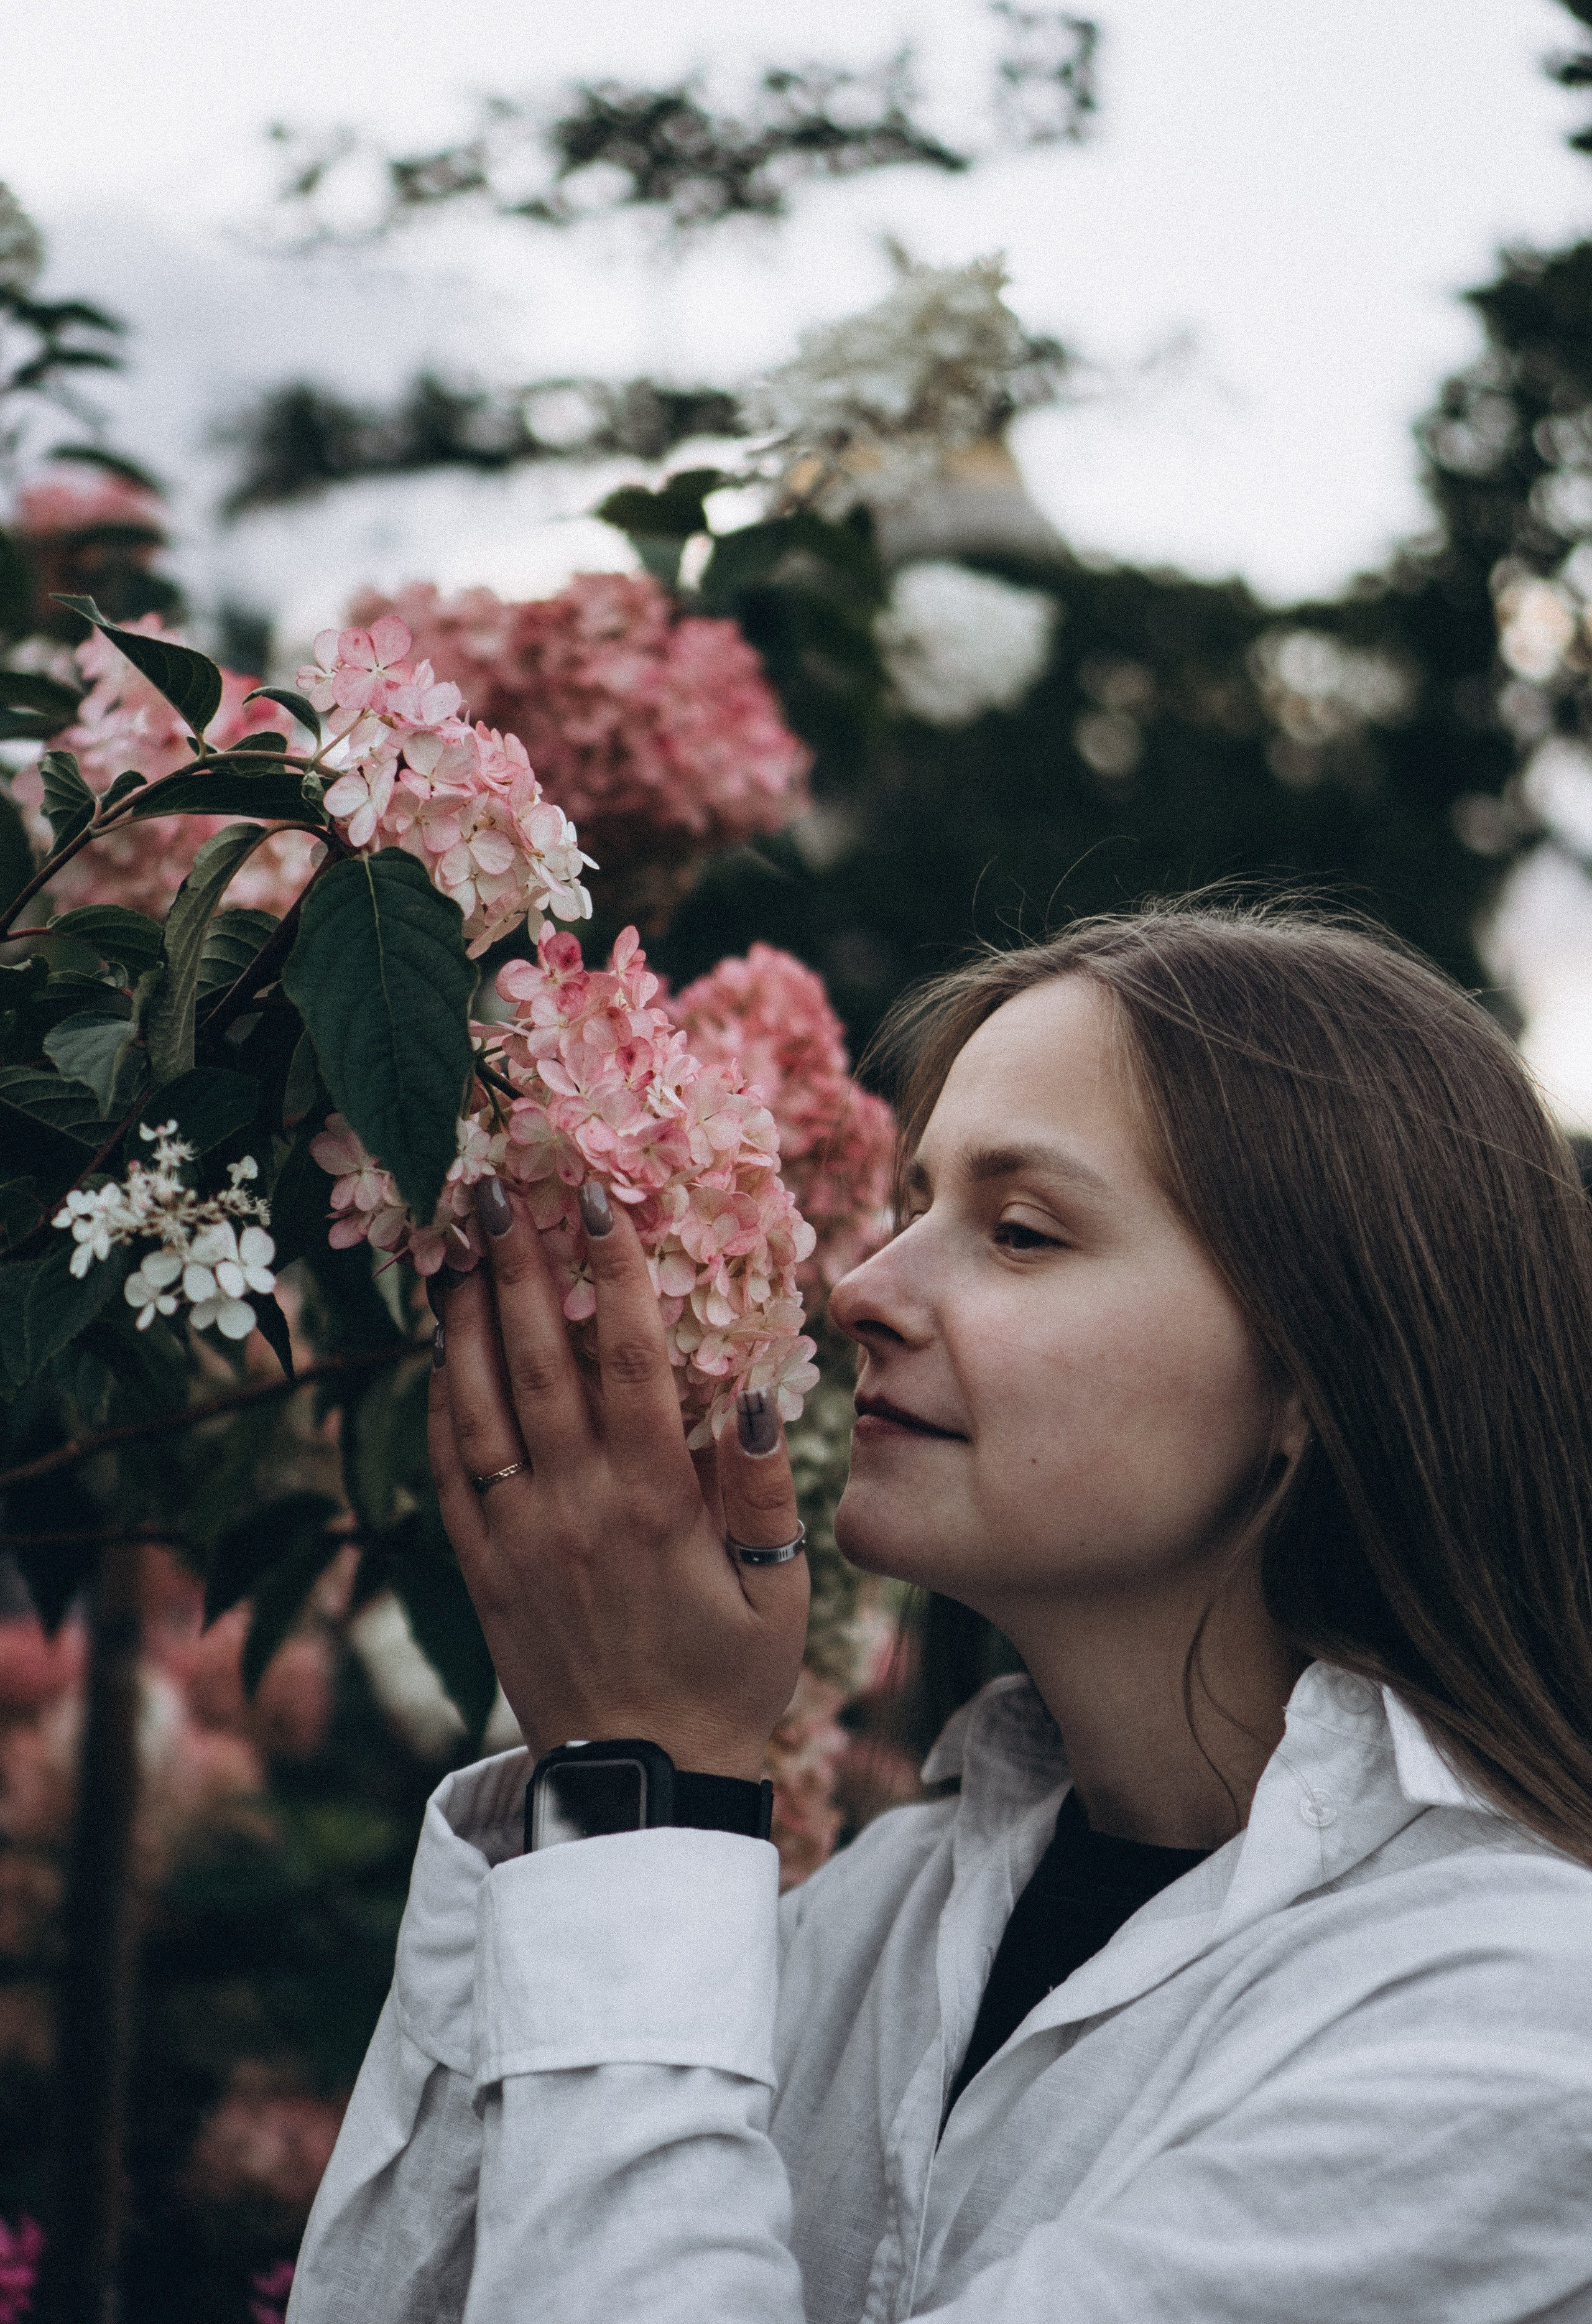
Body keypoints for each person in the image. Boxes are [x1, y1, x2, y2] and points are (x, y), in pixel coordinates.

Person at [287, 899, 1592, 2323]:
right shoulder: (872, 1917)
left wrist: (641, 1785)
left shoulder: (1516, 2014)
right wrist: (594, 1788)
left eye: (1019, 1232)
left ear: (1310, 1378)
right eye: (910, 1208)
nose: (858, 1290)